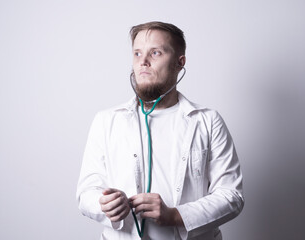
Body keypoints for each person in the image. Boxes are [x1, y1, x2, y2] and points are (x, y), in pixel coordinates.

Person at [76, 21, 244, 240]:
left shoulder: (208, 121)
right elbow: (86, 194)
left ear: (179, 62)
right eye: (137, 53)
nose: (143, 62)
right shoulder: (106, 120)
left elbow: (232, 196)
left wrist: (175, 216)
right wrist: (104, 205)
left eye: (155, 53)